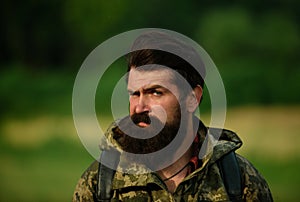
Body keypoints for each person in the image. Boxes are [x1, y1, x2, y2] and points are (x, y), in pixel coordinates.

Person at [72, 31, 273, 201]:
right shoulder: (101, 182)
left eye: (155, 92)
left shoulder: (238, 180)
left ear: (192, 98)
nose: (139, 107)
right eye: (134, 94)